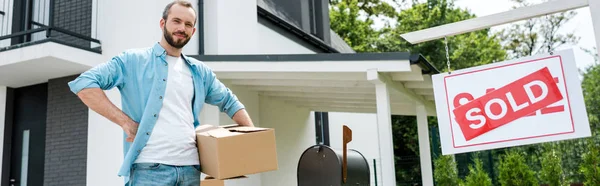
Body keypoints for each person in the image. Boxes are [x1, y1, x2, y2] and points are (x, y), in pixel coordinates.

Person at [67, 1, 254, 185]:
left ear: (193, 31)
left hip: (190, 169)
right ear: (162, 23)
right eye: (176, 21)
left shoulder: (200, 72)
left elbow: (230, 102)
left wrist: (253, 141)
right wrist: (126, 123)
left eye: (188, 24)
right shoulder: (133, 60)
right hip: (149, 170)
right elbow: (84, 84)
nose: (182, 27)